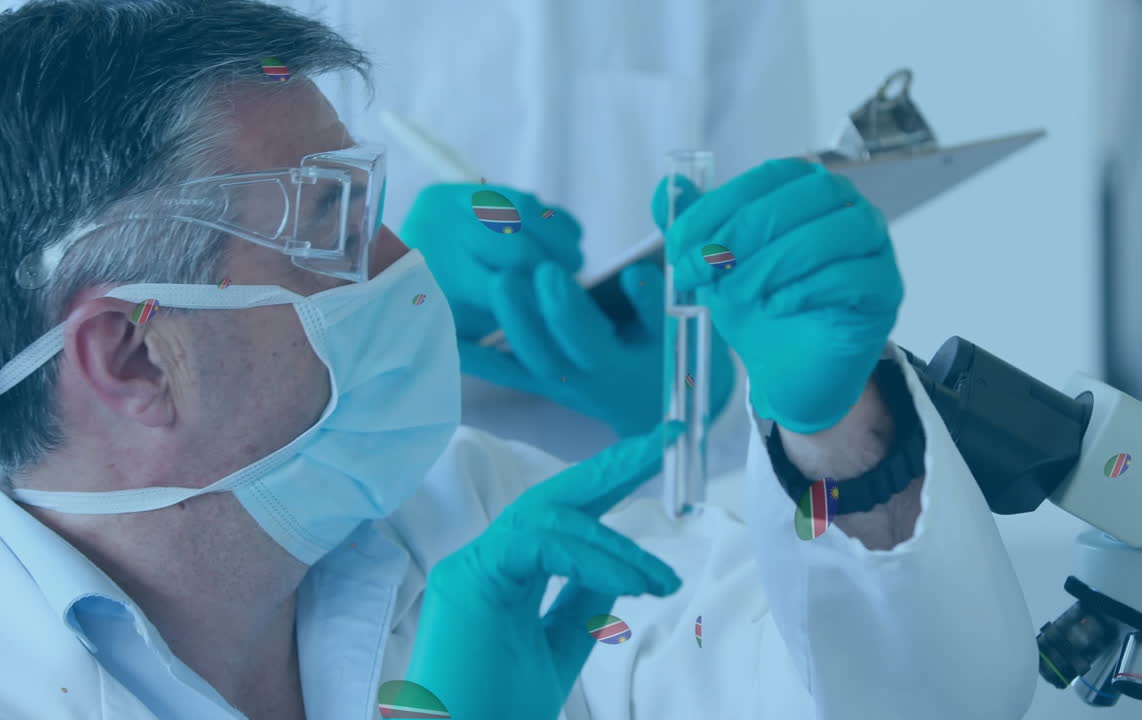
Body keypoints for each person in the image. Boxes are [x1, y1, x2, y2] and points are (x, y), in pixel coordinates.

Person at [0, 2, 1038, 719]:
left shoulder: (484, 524)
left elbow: (895, 698)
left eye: (373, 205)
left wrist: (839, 439)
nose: (402, 263)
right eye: (332, 223)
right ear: (136, 356)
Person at [264, 0, 815, 466]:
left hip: (650, 528)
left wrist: (708, 397)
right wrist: (374, 299)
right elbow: (195, 326)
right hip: (351, 529)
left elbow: (779, 287)